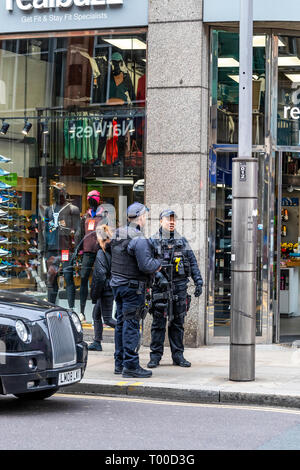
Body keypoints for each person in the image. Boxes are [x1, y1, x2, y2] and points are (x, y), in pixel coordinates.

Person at [110, 202, 161, 378]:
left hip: (117, 285)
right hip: (132, 288)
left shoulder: (117, 233)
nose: (146, 219)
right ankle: (131, 366)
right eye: (145, 216)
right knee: (131, 325)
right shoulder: (138, 238)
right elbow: (146, 266)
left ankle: (120, 363)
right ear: (140, 217)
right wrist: (159, 264)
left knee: (121, 324)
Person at [147, 209, 203, 369]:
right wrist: (159, 278)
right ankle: (155, 357)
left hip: (179, 288)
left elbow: (192, 263)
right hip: (160, 289)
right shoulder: (153, 241)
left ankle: (178, 356)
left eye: (173, 220)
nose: (171, 222)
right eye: (168, 219)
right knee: (158, 324)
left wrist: (198, 281)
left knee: (178, 323)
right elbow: (147, 264)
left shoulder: (182, 241)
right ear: (160, 221)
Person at [88, 224, 116, 352]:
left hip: (105, 289)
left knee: (108, 319)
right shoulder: (112, 249)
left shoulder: (101, 252)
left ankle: (131, 334)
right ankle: (97, 341)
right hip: (109, 287)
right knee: (96, 314)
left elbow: (99, 276)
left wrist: (94, 293)